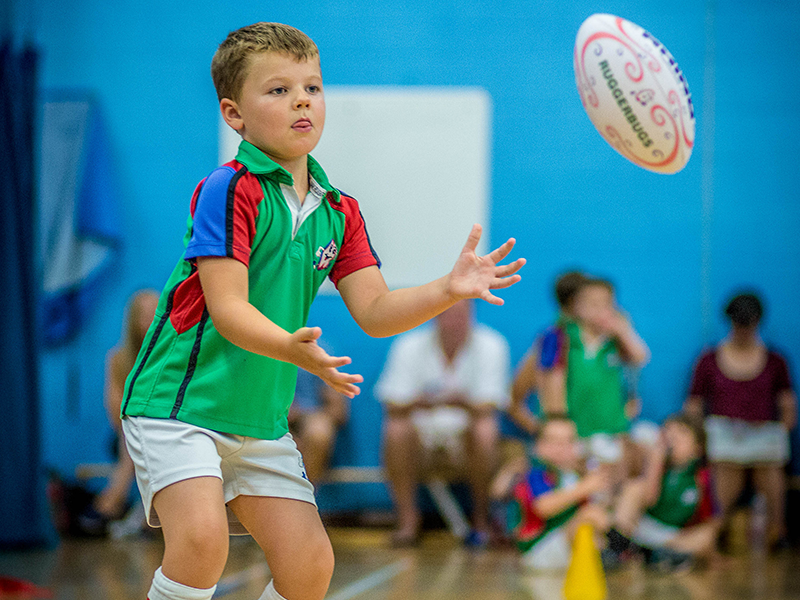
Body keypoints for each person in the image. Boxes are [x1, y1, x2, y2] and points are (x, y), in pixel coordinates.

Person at [119, 23, 525, 600]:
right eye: (278, 90)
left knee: (309, 567)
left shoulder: (339, 211)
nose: (302, 99)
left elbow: (378, 312)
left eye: (312, 86)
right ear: (235, 115)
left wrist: (449, 288)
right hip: (179, 407)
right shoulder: (229, 189)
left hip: (258, 418)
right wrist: (291, 348)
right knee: (201, 546)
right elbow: (229, 309)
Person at [375, 300, 510, 547]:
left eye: (461, 315)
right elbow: (392, 403)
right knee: (396, 429)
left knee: (485, 429)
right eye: (447, 315)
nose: (454, 322)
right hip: (420, 438)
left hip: (465, 440)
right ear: (434, 315)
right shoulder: (408, 345)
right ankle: (407, 520)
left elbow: (490, 406)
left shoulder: (492, 345)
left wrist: (453, 402)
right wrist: (432, 401)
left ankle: (482, 519)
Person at [684, 292, 797, 550]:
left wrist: (781, 432)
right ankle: (718, 528)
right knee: (726, 467)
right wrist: (698, 438)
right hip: (724, 436)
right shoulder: (709, 360)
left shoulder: (776, 361)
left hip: (764, 438)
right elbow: (693, 405)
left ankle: (777, 531)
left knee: (770, 468)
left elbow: (788, 404)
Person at [78, 289, 159, 536]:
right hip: (127, 432)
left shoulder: (172, 357)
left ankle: (108, 507)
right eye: (143, 315)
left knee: (146, 443)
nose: (149, 320)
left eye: (155, 313)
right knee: (133, 442)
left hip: (166, 432)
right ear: (132, 321)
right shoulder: (118, 359)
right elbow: (115, 410)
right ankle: (143, 514)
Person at [604, 414, 719, 572]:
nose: (673, 438)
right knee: (635, 487)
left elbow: (709, 518)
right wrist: (655, 461)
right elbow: (650, 498)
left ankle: (652, 554)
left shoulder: (702, 477)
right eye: (668, 433)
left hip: (671, 536)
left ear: (698, 448)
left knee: (707, 535)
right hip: (641, 527)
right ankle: (617, 548)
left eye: (682, 433)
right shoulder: (657, 465)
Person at [560, 278, 649, 465]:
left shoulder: (615, 341)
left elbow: (641, 358)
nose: (599, 309)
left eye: (606, 304)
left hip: (612, 430)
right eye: (592, 304)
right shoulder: (566, 337)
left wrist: (623, 331)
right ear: (577, 307)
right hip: (577, 429)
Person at [507, 415, 611, 570]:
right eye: (553, 441)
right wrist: (584, 488)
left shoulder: (575, 475)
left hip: (562, 547)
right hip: (537, 551)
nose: (561, 448)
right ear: (538, 446)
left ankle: (618, 552)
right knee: (590, 516)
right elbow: (543, 506)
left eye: (568, 442)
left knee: (598, 518)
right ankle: (619, 552)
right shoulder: (536, 473)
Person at [507, 270, 588, 434]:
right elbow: (514, 401)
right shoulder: (551, 341)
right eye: (592, 302)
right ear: (574, 303)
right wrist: (544, 433)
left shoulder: (607, 346)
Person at [288, 368, 348, 484]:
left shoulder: (318, 356)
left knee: (319, 431)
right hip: (271, 418)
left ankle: (305, 492)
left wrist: (298, 414)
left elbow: (338, 410)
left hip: (311, 416)